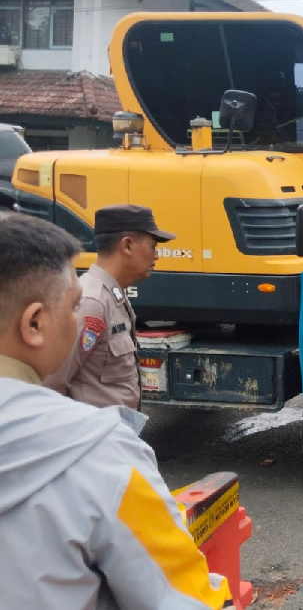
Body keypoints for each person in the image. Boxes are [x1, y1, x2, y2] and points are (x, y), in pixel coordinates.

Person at [0, 215, 230, 608]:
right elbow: (181, 597)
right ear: (35, 323)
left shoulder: (113, 294)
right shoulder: (100, 460)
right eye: (69, 309)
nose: (157, 254)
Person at [44, 204, 175, 411]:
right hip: (94, 438)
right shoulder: (91, 301)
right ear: (128, 246)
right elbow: (52, 381)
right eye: (153, 246)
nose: (156, 255)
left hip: (114, 434)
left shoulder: (112, 293)